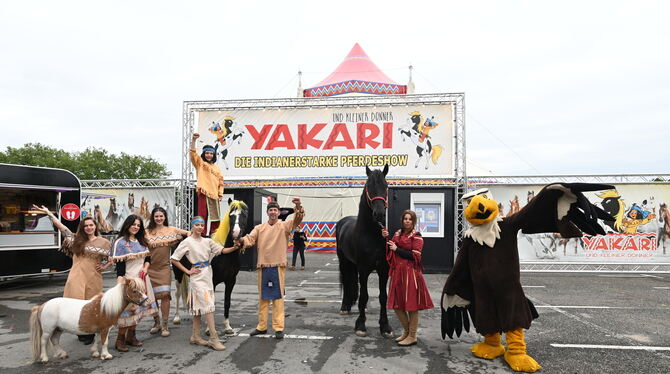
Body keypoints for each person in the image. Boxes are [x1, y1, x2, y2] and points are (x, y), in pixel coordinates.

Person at [32, 204, 113, 345]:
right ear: (82, 228)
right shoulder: (75, 239)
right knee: (74, 304)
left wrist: (106, 265)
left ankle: (89, 331)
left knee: (92, 305)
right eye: (86, 226)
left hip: (94, 278)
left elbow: (112, 258)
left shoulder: (104, 242)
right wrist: (49, 214)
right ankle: (80, 331)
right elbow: (61, 227)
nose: (89, 228)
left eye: (91, 225)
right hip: (76, 277)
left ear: (95, 227)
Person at [238, 198, 304, 339]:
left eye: (275, 210)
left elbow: (297, 219)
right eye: (270, 210)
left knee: (278, 298)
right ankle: (261, 326)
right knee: (263, 298)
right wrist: (240, 240)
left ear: (279, 212)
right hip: (263, 265)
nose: (273, 212)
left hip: (278, 265)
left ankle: (278, 327)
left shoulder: (284, 225)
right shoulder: (259, 228)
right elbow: (249, 239)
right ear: (267, 212)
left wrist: (297, 205)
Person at [170, 216, 238, 351]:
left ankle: (195, 336)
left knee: (198, 307)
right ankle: (213, 338)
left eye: (202, 225)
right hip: (197, 278)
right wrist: (187, 271)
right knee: (208, 306)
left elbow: (222, 250)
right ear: (192, 226)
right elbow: (174, 259)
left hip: (208, 275)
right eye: (197, 225)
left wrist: (234, 247)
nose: (200, 227)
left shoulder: (207, 241)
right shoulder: (187, 242)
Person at [382, 210, 434, 346]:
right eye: (405, 218)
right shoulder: (397, 233)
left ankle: (412, 335)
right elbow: (389, 249)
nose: (407, 221)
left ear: (414, 221)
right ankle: (406, 332)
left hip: (411, 274)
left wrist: (396, 249)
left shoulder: (417, 235)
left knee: (412, 306)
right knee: (397, 304)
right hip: (398, 272)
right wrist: (385, 238)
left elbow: (415, 256)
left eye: (410, 219)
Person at [111, 214, 159, 352]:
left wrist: (145, 268)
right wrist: (121, 284)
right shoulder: (120, 243)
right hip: (129, 281)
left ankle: (131, 337)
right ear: (127, 225)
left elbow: (148, 259)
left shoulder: (142, 241)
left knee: (139, 311)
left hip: (143, 280)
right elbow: (119, 268)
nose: (136, 227)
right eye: (134, 224)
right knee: (127, 311)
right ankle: (119, 339)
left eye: (138, 225)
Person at [145, 207, 190, 337]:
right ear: (152, 217)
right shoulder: (146, 232)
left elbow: (189, 234)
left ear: (165, 217)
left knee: (165, 296)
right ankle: (157, 323)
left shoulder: (172, 230)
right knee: (152, 298)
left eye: (161, 216)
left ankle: (165, 325)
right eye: (156, 216)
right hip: (149, 268)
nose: (159, 218)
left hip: (164, 268)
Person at [190, 132, 224, 236]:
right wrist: (194, 140)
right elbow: (192, 154)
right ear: (204, 154)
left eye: (211, 153)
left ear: (214, 155)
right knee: (202, 215)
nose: (209, 155)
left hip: (214, 195)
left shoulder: (217, 168)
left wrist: (220, 194)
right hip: (204, 192)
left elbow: (221, 182)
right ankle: (201, 234)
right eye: (207, 153)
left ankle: (215, 235)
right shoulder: (200, 163)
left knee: (216, 217)